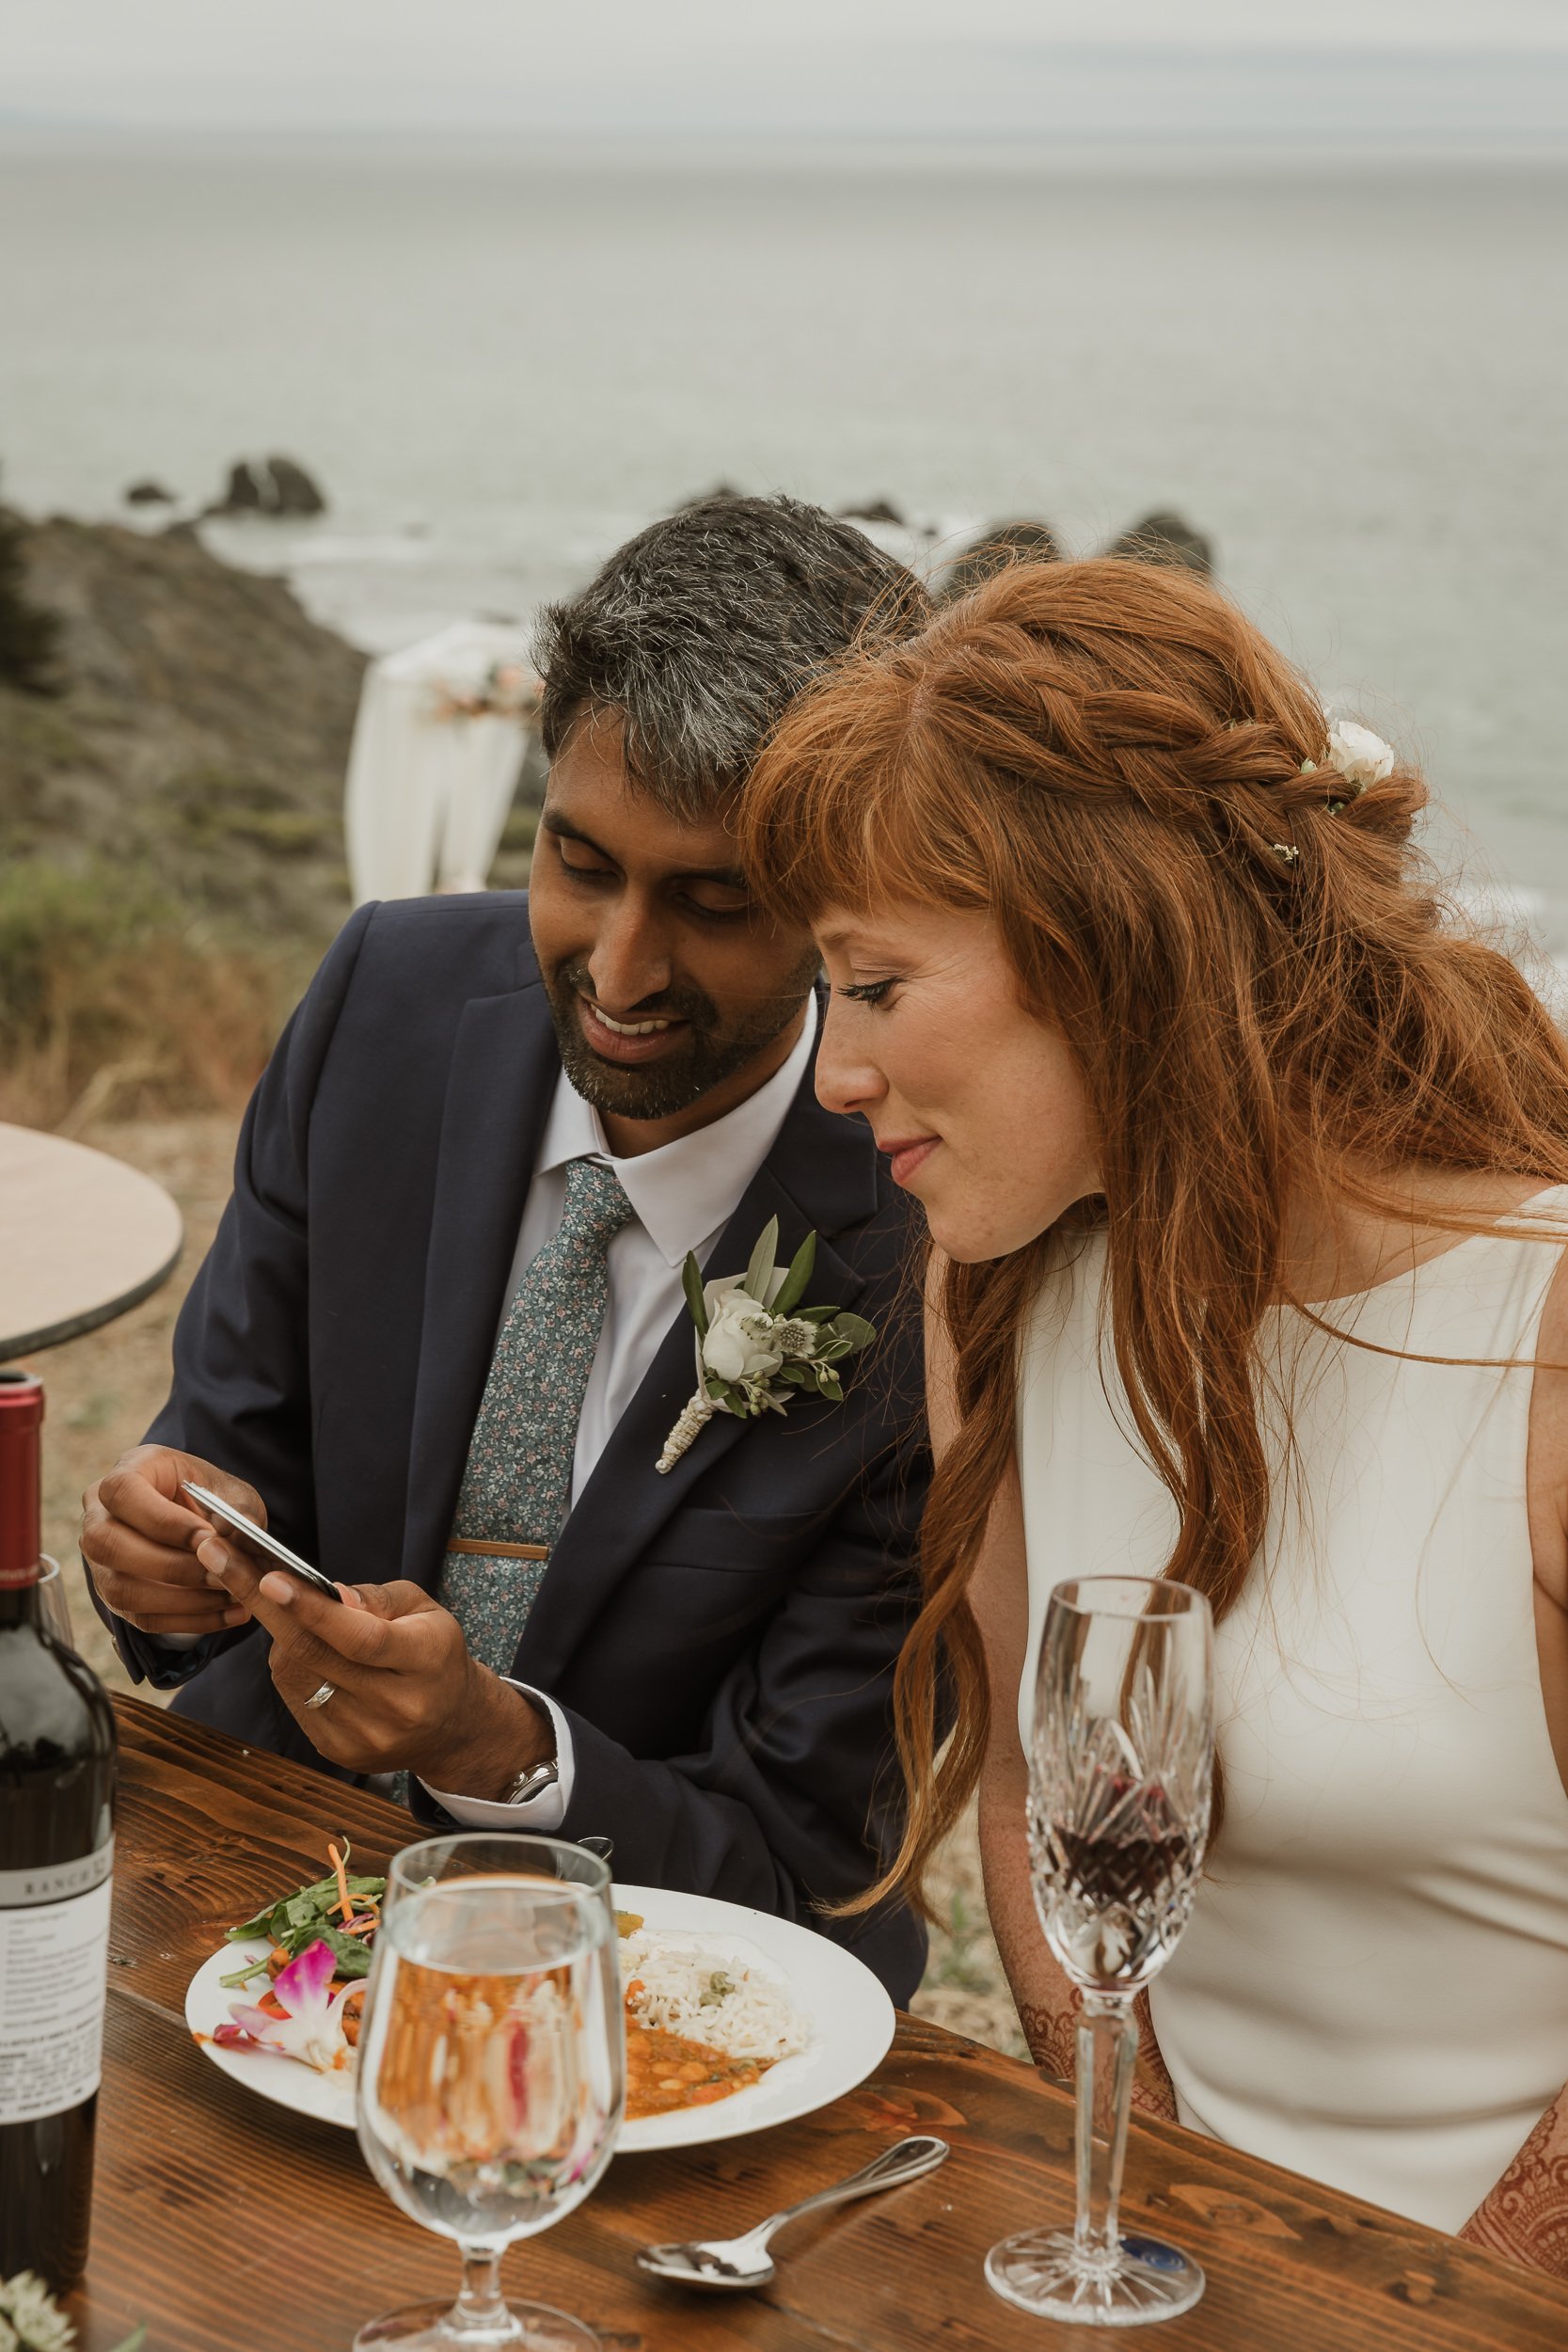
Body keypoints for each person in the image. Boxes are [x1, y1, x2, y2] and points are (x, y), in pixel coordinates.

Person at [736, 553, 1568, 2267]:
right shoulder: (1010, 1293)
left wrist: (1416, 2312)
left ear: (1115, 952)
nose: (833, 1071)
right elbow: (1034, 1807)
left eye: (877, 985)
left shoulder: (1544, 1343)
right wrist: (1167, 2225)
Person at [80, 494, 933, 1999]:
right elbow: (220, 1466)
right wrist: (163, 1558)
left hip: (646, 2003)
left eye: (713, 902)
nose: (618, 969)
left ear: (843, 904)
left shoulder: (926, 1240)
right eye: (581, 862)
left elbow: (818, 1885)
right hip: (242, 1909)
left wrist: (501, 1755)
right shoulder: (382, 1004)